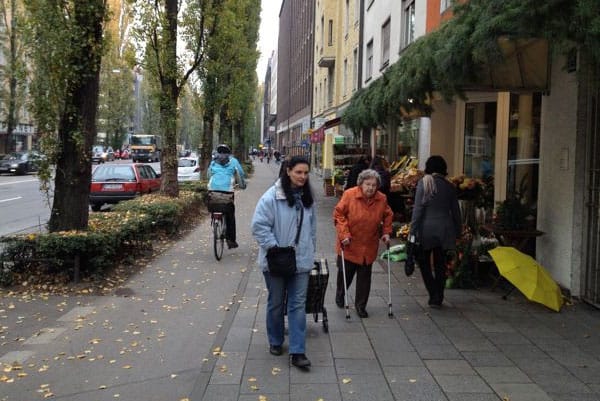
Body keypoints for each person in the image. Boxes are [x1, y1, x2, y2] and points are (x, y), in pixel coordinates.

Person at [251, 156, 316, 369]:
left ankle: (298, 351)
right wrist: (275, 248)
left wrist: (309, 252)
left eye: (306, 173)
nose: (303, 177)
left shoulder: (307, 199)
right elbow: (258, 226)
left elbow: (312, 229)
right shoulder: (271, 197)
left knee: (298, 305)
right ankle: (276, 340)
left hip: (301, 262)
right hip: (276, 261)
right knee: (277, 303)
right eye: (299, 172)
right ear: (288, 171)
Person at [333, 169, 393, 318]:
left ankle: (361, 306)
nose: (370, 188)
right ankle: (340, 294)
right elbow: (339, 214)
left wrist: (386, 232)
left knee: (364, 278)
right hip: (349, 243)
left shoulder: (381, 198)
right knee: (345, 274)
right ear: (361, 183)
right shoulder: (350, 195)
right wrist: (344, 234)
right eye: (367, 184)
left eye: (374, 185)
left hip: (369, 244)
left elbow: (388, 215)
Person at [410, 155, 461, 308]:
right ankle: (439, 294)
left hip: (426, 229)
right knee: (441, 263)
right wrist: (458, 231)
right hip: (445, 229)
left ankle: (433, 293)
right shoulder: (449, 186)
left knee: (424, 262)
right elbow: (456, 212)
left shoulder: (424, 183)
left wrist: (412, 232)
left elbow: (418, 210)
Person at [207, 144, 246, 249]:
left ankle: (215, 219)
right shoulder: (233, 161)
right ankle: (231, 240)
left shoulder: (213, 161)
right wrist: (243, 186)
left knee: (214, 204)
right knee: (230, 215)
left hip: (213, 191)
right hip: (227, 193)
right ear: (229, 152)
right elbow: (241, 174)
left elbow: (208, 175)